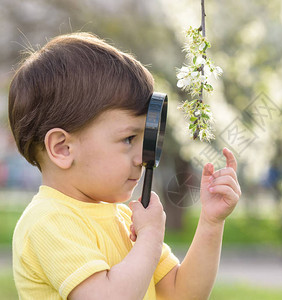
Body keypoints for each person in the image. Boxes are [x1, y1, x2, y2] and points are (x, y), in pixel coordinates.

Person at [8, 32, 241, 300]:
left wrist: (211, 223)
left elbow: (182, 294)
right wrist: (150, 238)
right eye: (129, 138)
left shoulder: (124, 219)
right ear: (62, 148)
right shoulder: (49, 221)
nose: (143, 156)